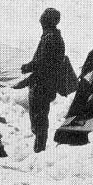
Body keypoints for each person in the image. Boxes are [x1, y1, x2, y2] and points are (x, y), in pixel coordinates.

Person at [13, 8, 65, 153]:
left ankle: (39, 148)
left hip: (43, 84)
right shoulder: (51, 37)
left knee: (39, 118)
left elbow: (44, 62)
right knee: (39, 117)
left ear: (47, 21)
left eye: (43, 19)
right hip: (44, 83)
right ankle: (39, 146)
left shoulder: (51, 38)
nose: (41, 22)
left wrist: (28, 67)